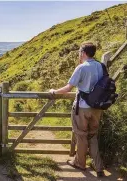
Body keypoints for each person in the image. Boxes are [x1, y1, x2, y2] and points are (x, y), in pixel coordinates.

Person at [49, 42, 105, 177]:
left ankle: (80, 163)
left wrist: (54, 91)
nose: (79, 54)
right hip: (97, 108)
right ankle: (99, 167)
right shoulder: (100, 66)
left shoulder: (81, 68)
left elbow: (68, 88)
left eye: (80, 52)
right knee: (93, 135)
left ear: (83, 53)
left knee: (81, 135)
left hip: (83, 107)